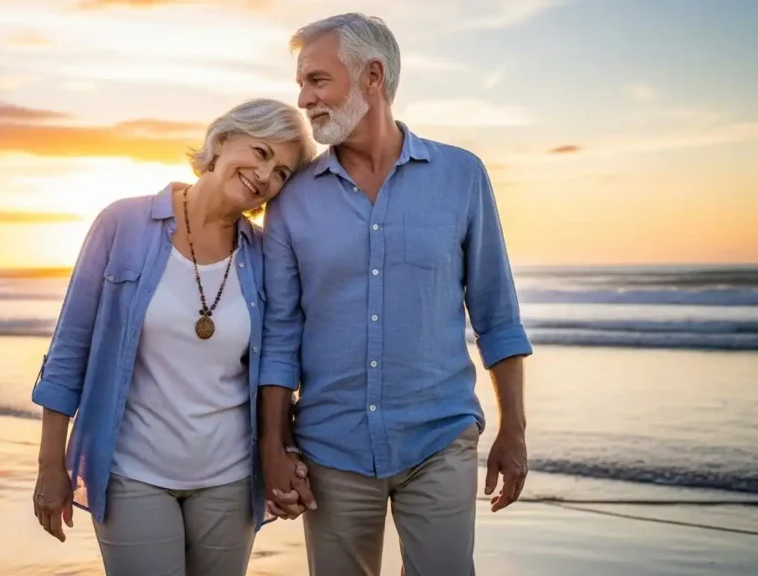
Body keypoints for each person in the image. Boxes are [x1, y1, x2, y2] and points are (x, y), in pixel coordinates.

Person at [258, 13, 534, 576]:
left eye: (316, 80)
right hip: (331, 448)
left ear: (373, 76)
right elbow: (279, 335)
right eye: (301, 84)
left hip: (440, 437)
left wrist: (514, 430)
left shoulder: (462, 176)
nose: (304, 99)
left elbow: (496, 313)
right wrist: (272, 446)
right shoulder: (291, 202)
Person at [30, 98, 316, 576]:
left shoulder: (266, 255)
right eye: (261, 152)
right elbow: (69, 351)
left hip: (229, 478)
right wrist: (49, 465)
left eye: (282, 173)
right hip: (132, 472)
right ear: (223, 139)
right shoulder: (122, 224)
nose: (265, 176)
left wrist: (283, 451)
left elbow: (279, 362)